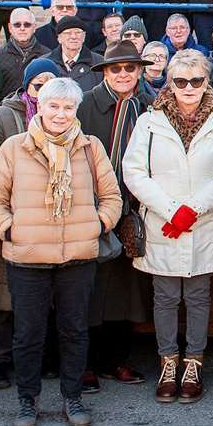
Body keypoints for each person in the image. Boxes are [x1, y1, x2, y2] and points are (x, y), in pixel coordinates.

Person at [0, 76, 121, 426]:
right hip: (26, 258)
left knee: (74, 331)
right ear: (39, 107)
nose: (60, 114)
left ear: (76, 110)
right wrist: (10, 230)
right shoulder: (15, 148)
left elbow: (112, 197)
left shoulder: (90, 148)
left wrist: (97, 225)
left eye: (68, 107)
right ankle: (28, 401)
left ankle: (72, 397)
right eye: (53, 106)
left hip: (78, 256)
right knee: (28, 333)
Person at [123, 49, 213, 405]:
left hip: (203, 223)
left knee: (198, 295)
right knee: (165, 295)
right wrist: (172, 210)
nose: (188, 87)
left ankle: (193, 363)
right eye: (180, 80)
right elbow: (135, 171)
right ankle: (167, 362)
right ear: (170, 83)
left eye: (196, 80)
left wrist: (193, 209)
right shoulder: (149, 121)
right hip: (162, 221)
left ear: (207, 82)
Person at [0, 58, 61, 390]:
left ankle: (39, 359)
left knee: (42, 297)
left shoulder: (63, 116)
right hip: (12, 213)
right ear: (27, 87)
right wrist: (16, 174)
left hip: (50, 218)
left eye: (50, 85)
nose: (43, 92)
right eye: (38, 85)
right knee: (1, 298)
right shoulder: (3, 115)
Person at [78, 40, 154, 386]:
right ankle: (87, 363)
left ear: (139, 71)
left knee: (127, 287)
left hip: (135, 207)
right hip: (93, 204)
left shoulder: (150, 105)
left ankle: (117, 359)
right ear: (105, 72)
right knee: (90, 288)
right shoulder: (86, 104)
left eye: (130, 68)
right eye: (116, 68)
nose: (123, 74)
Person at [0, 7, 50, 101]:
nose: (22, 28)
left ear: (34, 27)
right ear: (10, 28)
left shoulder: (47, 56)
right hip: (7, 111)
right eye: (17, 24)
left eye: (27, 24)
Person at [48, 17, 102, 83]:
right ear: (59, 38)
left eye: (78, 32)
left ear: (84, 37)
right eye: (68, 33)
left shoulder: (99, 63)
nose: (74, 37)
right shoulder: (46, 63)